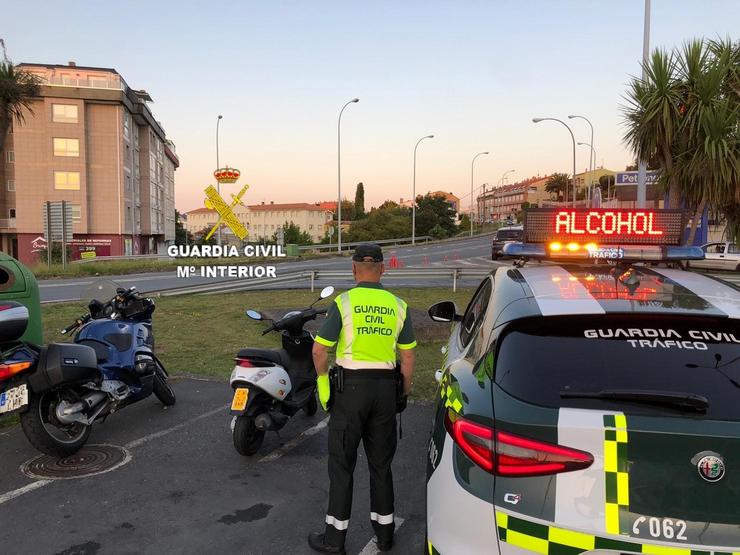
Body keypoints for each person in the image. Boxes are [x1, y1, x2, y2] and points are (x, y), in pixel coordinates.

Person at [309, 243, 416, 555]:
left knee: (342, 465)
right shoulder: (399, 305)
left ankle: (334, 540)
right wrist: (403, 393)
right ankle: (385, 536)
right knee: (381, 466)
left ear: (353, 269)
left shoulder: (343, 303)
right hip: (385, 390)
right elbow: (407, 358)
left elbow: (319, 350)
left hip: (349, 391)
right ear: (383, 269)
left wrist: (322, 383)